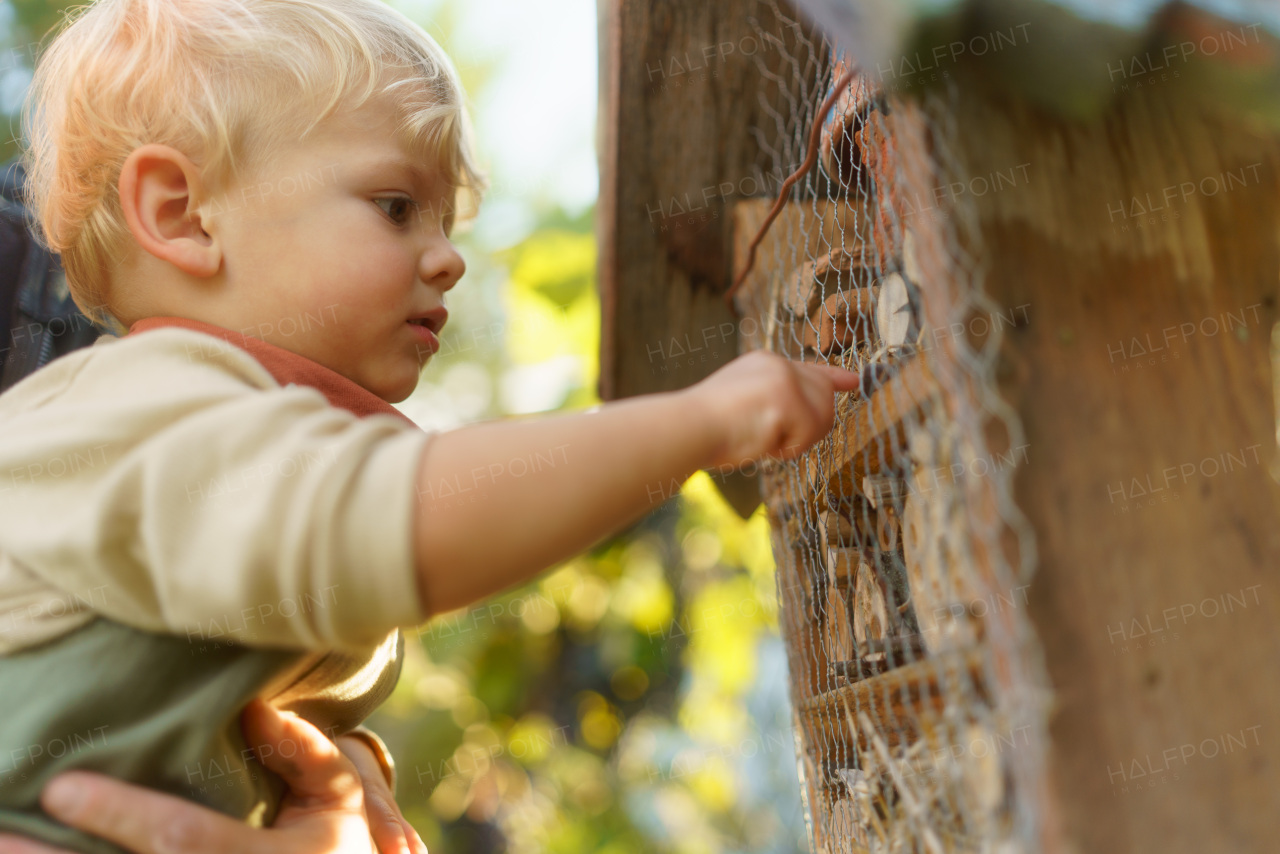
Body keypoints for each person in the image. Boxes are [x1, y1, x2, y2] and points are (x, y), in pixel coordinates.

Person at [0, 0, 860, 852]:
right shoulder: (151, 408)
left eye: (445, 219)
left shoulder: (238, 442)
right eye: (395, 205)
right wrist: (703, 420)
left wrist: (345, 767)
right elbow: (409, 521)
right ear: (184, 214)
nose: (448, 256)